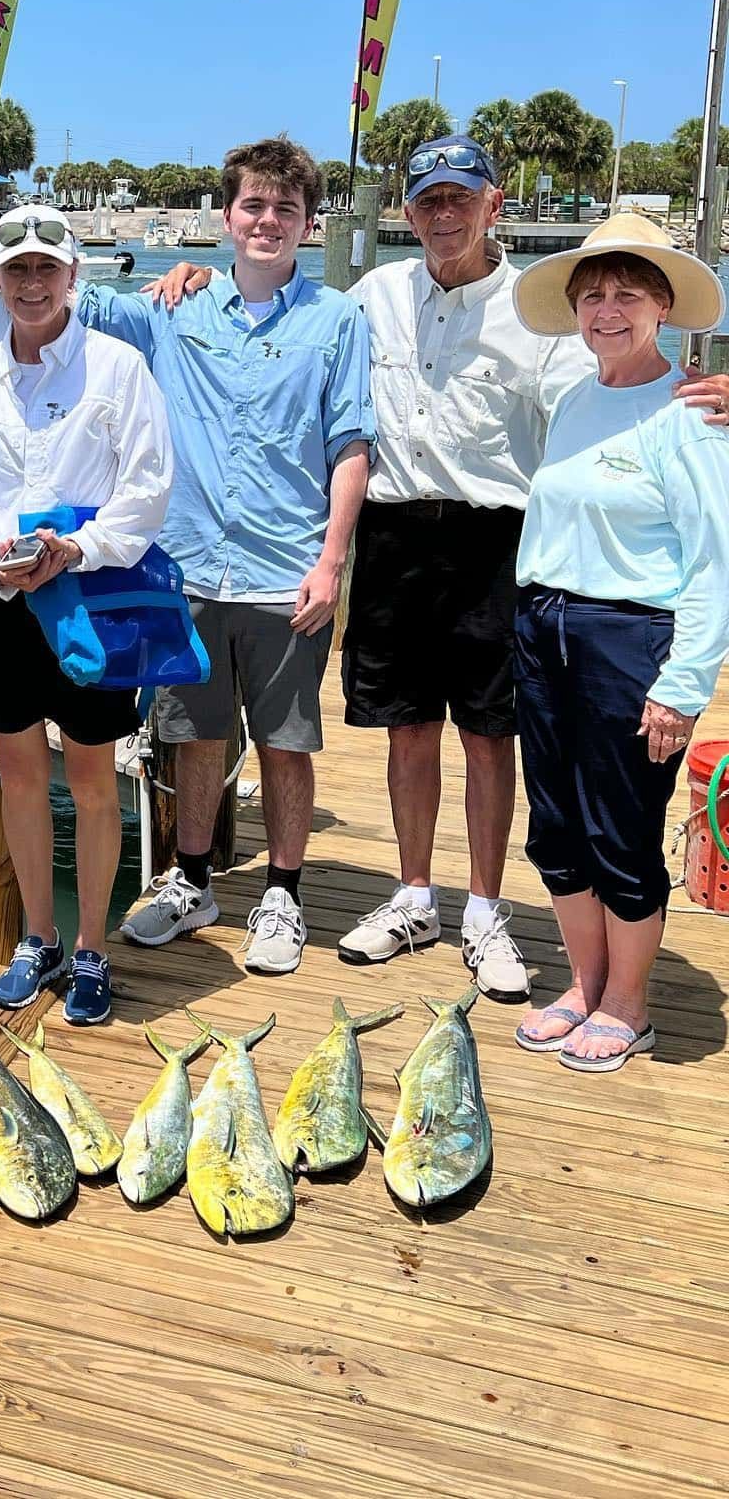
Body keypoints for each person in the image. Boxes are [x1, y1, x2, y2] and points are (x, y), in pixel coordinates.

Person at [152, 133, 729, 1000]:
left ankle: (487, 909)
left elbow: (626, 377)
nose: (444, 214)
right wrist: (191, 274)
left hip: (496, 540)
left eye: (461, 198)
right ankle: (415, 891)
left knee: (491, 737)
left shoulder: (544, 319)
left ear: (494, 204)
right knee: (406, 728)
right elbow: (276, 309)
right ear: (407, 213)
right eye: (428, 201)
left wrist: (712, 391)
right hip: (393, 535)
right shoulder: (372, 295)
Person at [0, 138, 374, 978]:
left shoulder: (339, 320)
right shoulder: (178, 309)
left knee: (287, 741)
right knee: (193, 733)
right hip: (189, 567)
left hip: (287, 564)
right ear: (226, 219)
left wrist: (332, 561)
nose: (267, 222)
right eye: (253, 206)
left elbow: (352, 444)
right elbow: (70, 301)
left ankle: (283, 889)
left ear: (309, 225)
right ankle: (194, 879)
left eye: (286, 210)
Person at [0, 203, 173, 1025]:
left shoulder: (118, 369)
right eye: (16, 269)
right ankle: (38, 938)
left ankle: (95, 945)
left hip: (92, 601)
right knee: (21, 776)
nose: (32, 283)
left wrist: (75, 550)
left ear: (75, 275)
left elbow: (148, 490)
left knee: (94, 781)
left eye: (46, 268)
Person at [510, 216, 729, 1068]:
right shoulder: (573, 400)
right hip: (543, 627)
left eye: (627, 293)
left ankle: (630, 1004)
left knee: (623, 827)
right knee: (556, 825)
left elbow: (713, 562)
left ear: (664, 307)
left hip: (631, 637)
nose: (607, 309)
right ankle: (584, 980)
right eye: (593, 293)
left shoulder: (692, 413)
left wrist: (683, 683)